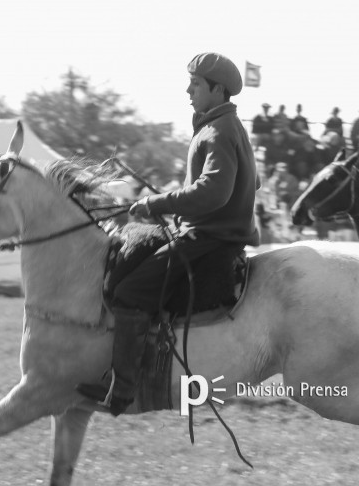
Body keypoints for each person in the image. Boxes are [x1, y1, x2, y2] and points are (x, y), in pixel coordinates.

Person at [77, 52, 259, 415]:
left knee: (129, 292)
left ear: (217, 89)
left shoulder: (218, 130)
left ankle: (124, 390)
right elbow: (246, 182)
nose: (188, 90)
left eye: (195, 84)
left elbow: (214, 192)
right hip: (209, 232)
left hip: (208, 239)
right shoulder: (221, 126)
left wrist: (156, 203)